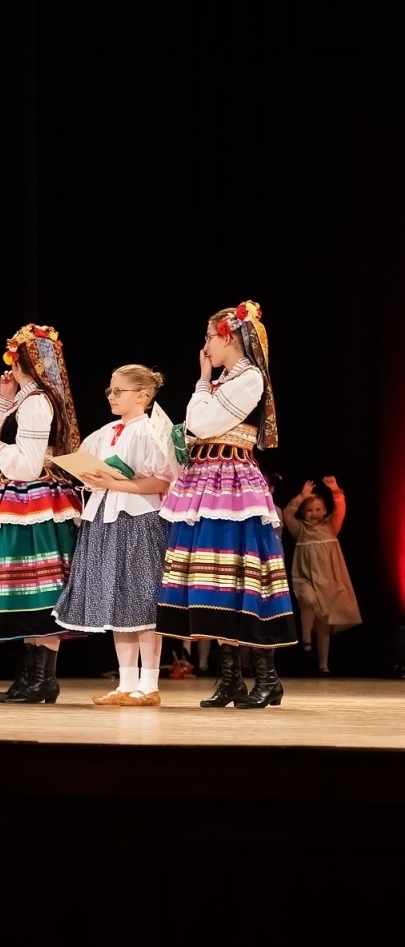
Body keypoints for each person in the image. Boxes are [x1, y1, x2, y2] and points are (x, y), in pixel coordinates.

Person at [157, 301, 296, 707]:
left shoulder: (250, 377)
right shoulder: (223, 381)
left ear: (228, 337)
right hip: (206, 481)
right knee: (212, 577)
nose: (205, 347)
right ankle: (231, 678)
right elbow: (195, 426)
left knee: (242, 574)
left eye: (208, 338)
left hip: (232, 484)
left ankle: (267, 679)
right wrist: (205, 382)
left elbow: (200, 423)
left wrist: (202, 382)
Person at [0, 324, 82, 705]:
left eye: (15, 356)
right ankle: (30, 676)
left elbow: (26, 465)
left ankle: (43, 678)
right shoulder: (24, 399)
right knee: (24, 588)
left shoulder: (37, 403)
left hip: (34, 500)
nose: (10, 363)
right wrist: (3, 400)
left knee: (42, 588)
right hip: (17, 499)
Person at [53, 365, 178, 706]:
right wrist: (93, 478)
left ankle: (149, 686)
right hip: (104, 516)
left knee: (143, 600)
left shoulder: (151, 431)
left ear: (142, 395)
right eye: (110, 390)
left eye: (119, 390)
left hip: (140, 519)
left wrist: (114, 482)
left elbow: (160, 481)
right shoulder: (104, 432)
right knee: (119, 600)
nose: (112, 396)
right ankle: (126, 684)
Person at [282, 477, 358, 676]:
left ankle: (323, 665)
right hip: (305, 577)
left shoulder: (330, 527)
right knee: (308, 599)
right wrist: (301, 496)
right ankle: (306, 641)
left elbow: (340, 509)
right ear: (303, 512)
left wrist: (335, 491)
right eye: (309, 510)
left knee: (323, 621)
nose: (314, 513)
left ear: (324, 511)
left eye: (317, 509)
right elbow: (287, 514)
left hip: (326, 579)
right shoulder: (300, 530)